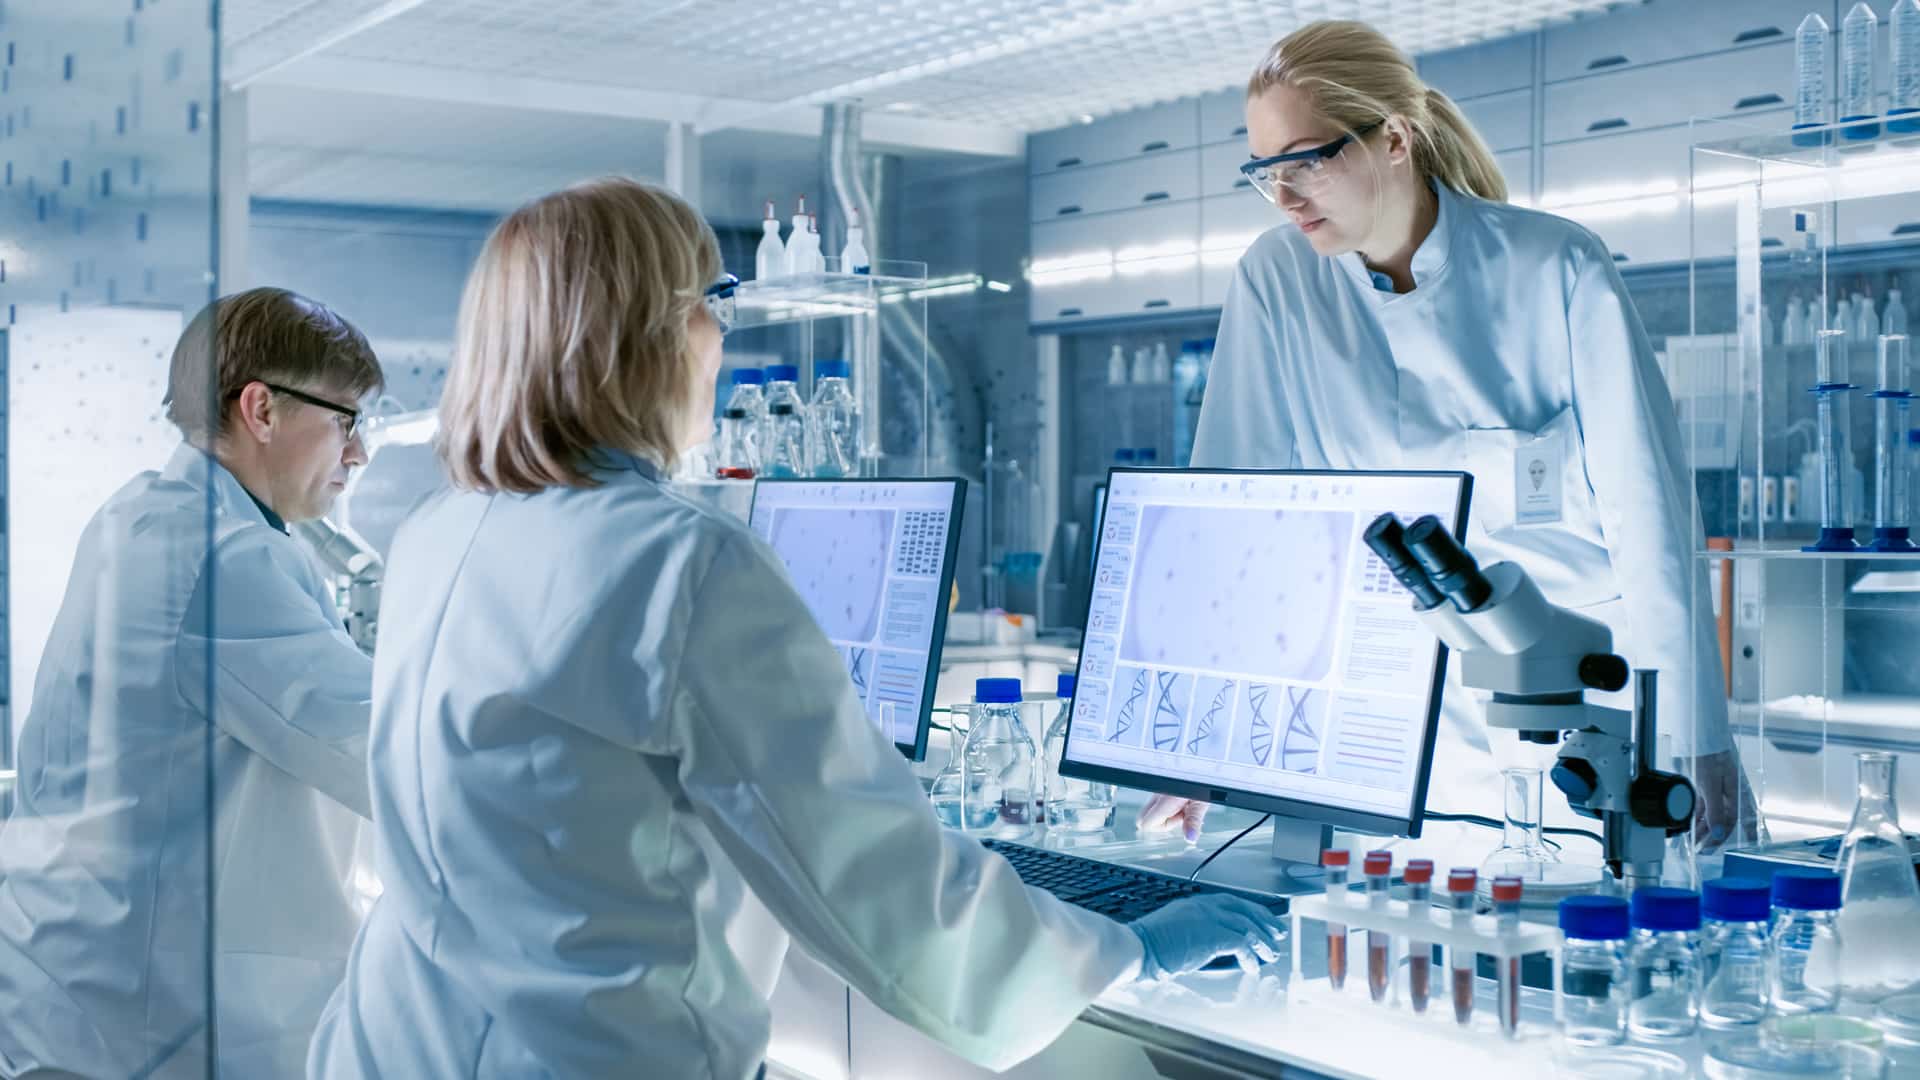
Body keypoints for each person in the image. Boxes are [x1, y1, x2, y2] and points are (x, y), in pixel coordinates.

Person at [307, 178, 1282, 1080]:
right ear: (648, 337)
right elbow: (876, 879)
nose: (719, 338)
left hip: (398, 1043)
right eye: (709, 305)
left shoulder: (440, 528)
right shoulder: (677, 559)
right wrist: (1131, 948)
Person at [1138, 21, 1759, 859]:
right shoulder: (1277, 279)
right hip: (1383, 736)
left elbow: (1651, 522)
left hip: (1574, 728)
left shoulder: (1554, 268)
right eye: (1264, 172)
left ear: (1393, 137)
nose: (1284, 197)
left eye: (1305, 161)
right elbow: (1235, 511)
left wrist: (1694, 730)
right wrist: (1194, 746)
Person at [0, 288, 386, 1078]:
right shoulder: (220, 556)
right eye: (346, 421)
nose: (358, 454)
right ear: (262, 409)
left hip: (86, 989)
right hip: (139, 1020)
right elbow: (374, 750)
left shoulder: (148, 514)